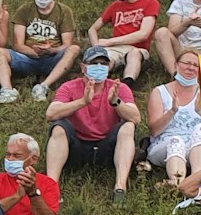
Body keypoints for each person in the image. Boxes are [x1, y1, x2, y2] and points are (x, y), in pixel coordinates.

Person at [45, 46, 140, 200]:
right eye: (94, 63)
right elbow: (51, 114)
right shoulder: (69, 87)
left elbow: (136, 118)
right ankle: (51, 186)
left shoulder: (119, 88)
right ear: (83, 67)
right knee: (58, 128)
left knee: (128, 126)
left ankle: (120, 187)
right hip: (76, 147)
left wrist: (116, 102)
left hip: (107, 148)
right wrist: (82, 102)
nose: (99, 67)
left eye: (104, 64)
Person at [0, 0, 78, 105]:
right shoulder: (24, 10)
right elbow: (17, 44)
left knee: (74, 49)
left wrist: (51, 50)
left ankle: (43, 86)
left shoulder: (64, 11)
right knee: (0, 53)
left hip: (52, 58)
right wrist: (35, 52)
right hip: (27, 58)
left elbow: (67, 44)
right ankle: (7, 90)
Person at [145, 50, 201, 189]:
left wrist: (200, 111)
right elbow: (154, 130)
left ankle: (195, 178)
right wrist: (172, 112)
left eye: (196, 65)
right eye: (187, 63)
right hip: (165, 145)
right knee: (176, 140)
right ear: (176, 65)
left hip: (196, 148)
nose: (191, 68)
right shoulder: (159, 92)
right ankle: (179, 181)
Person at [87, 0, 158, 84]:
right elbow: (93, 29)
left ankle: (128, 82)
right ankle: (97, 81)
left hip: (137, 48)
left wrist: (110, 42)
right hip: (116, 48)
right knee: (104, 59)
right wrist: (96, 46)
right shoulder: (115, 6)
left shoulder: (149, 3)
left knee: (134, 55)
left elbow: (143, 34)